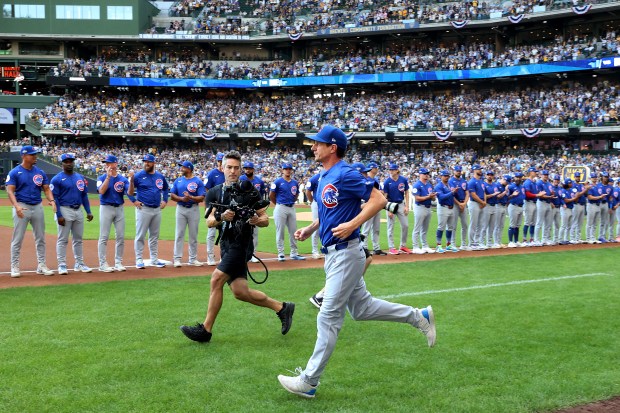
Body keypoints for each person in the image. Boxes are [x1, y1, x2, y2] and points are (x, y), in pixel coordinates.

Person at [277, 125, 435, 399]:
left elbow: (378, 199)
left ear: (333, 147)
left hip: (346, 253)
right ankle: (418, 317)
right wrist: (312, 228)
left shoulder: (346, 172)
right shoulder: (326, 175)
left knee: (328, 315)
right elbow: (333, 210)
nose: (313, 147)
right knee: (362, 309)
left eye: (318, 143)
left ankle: (309, 381)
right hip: (335, 254)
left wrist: (352, 224)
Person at [179, 151, 295, 343]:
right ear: (222, 168)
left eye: (236, 168)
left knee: (216, 280)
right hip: (226, 244)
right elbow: (208, 222)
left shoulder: (250, 192)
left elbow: (265, 220)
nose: (233, 171)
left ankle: (205, 331)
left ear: (240, 169)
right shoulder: (215, 192)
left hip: (242, 245)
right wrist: (221, 217)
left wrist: (257, 219)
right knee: (240, 292)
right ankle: (282, 308)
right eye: (229, 167)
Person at [6, 145, 56, 277]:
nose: (35, 156)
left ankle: (41, 265)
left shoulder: (40, 172)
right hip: (22, 205)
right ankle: (14, 266)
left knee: (40, 238)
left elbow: (46, 189)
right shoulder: (15, 172)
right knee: (17, 238)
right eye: (32, 154)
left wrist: (51, 201)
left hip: (37, 206)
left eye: (35, 154)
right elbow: (10, 190)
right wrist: (16, 206)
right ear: (23, 156)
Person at [50, 153, 94, 274]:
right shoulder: (57, 179)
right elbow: (55, 198)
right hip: (64, 209)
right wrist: (58, 215)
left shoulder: (79, 177)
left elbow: (84, 195)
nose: (69, 163)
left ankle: (79, 263)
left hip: (78, 210)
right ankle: (62, 265)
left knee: (78, 239)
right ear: (62, 163)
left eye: (71, 161)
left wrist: (88, 211)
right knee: (63, 239)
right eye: (66, 161)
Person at [128, 153, 169, 268]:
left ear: (153, 163)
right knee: (140, 235)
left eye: (149, 161)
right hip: (143, 208)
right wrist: (134, 201)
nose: (146, 163)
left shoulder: (160, 176)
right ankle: (139, 259)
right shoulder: (138, 176)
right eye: (145, 161)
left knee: (154, 236)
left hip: (157, 209)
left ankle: (154, 259)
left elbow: (165, 188)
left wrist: (165, 200)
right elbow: (129, 192)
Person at [97, 154, 134, 273]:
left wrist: (131, 181)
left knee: (120, 236)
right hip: (106, 207)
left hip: (119, 208)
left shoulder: (122, 179)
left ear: (115, 164)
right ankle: (102, 263)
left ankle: (118, 262)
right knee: (104, 236)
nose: (107, 165)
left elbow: (130, 193)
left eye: (109, 163)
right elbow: (101, 191)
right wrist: (108, 178)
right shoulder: (101, 178)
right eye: (106, 163)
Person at [170, 160, 206, 267]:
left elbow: (202, 197)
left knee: (193, 235)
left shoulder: (198, 181)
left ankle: (193, 259)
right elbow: (172, 195)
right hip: (181, 208)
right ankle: (177, 259)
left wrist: (191, 197)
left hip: (194, 209)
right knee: (179, 234)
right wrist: (182, 198)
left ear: (189, 169)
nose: (181, 169)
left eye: (183, 167)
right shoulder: (178, 180)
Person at [269, 162, 305, 261]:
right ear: (282, 170)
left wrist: (292, 201)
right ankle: (281, 253)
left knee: (293, 231)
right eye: (286, 169)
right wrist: (277, 204)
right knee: (280, 231)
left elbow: (296, 194)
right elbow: (271, 195)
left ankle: (294, 253)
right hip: (281, 207)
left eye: (289, 169)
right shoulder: (277, 182)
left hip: (291, 207)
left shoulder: (294, 182)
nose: (288, 170)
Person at [240, 161, 267, 262]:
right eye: (246, 168)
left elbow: (262, 194)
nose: (247, 170)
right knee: (241, 231)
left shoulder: (259, 181)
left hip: (255, 208)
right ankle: (242, 253)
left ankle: (253, 254)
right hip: (243, 208)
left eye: (249, 168)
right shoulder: (240, 179)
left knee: (255, 232)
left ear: (253, 169)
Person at [382, 162, 410, 254]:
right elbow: (385, 197)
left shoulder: (403, 180)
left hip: (401, 204)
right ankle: (391, 247)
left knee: (405, 225)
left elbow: (406, 192)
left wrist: (407, 206)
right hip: (391, 204)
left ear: (397, 170)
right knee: (390, 226)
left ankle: (403, 246)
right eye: (390, 169)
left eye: (392, 169)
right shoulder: (387, 182)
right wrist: (389, 209)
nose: (391, 171)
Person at [360, 162, 386, 256]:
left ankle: (376, 248)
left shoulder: (375, 180)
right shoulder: (366, 179)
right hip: (369, 205)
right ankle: (364, 247)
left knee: (376, 228)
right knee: (366, 228)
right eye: (375, 167)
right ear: (372, 168)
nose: (377, 169)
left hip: (376, 206)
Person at [205, 152, 225, 265]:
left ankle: (223, 257)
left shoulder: (228, 173)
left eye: (222, 161)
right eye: (219, 161)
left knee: (224, 233)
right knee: (211, 233)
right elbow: (207, 189)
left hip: (225, 207)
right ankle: (210, 257)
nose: (220, 163)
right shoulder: (212, 173)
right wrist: (211, 203)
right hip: (213, 207)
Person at [411, 167, 436, 254]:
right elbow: (417, 198)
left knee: (425, 228)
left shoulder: (429, 184)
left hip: (428, 207)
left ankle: (425, 246)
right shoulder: (417, 185)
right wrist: (428, 197)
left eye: (427, 174)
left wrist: (433, 196)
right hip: (420, 207)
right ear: (420, 174)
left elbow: (433, 199)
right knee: (417, 228)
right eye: (425, 174)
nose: (426, 175)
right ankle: (415, 246)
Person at [434, 169, 458, 253]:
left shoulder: (450, 184)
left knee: (450, 227)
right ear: (441, 176)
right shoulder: (438, 186)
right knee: (441, 226)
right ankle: (438, 245)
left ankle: (448, 244)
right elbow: (441, 197)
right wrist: (452, 192)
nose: (446, 177)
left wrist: (453, 192)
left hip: (451, 207)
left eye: (447, 176)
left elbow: (452, 194)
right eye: (445, 176)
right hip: (443, 207)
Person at [449, 165, 470, 250]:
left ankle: (463, 244)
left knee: (465, 224)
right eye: (457, 171)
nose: (458, 172)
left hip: (463, 203)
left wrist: (464, 203)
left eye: (459, 171)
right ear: (454, 171)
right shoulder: (451, 181)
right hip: (455, 204)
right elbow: (451, 194)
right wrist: (459, 204)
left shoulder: (463, 181)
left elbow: (467, 192)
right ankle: (452, 244)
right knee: (453, 225)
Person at [467, 164, 487, 251]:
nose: (480, 171)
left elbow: (484, 193)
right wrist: (482, 202)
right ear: (474, 170)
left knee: (480, 224)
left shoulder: (482, 181)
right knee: (473, 224)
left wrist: (484, 202)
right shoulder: (472, 181)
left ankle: (477, 242)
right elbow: (473, 194)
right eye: (479, 169)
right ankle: (471, 243)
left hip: (481, 204)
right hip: (474, 203)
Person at [523, 167, 543, 246]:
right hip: (529, 202)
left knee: (533, 222)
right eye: (534, 172)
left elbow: (537, 192)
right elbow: (527, 194)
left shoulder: (534, 182)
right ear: (530, 172)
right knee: (527, 222)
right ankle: (524, 240)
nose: (536, 173)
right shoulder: (527, 182)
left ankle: (532, 239)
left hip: (535, 202)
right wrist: (538, 194)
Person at [305, 172, 322, 259]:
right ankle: (314, 251)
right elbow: (308, 191)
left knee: (330, 225)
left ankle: (326, 247)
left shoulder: (332, 175)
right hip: (317, 203)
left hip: (327, 204)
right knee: (316, 227)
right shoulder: (315, 178)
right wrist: (313, 202)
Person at [585, 172, 606, 244]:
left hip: (598, 205)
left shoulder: (598, 186)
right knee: (589, 222)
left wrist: (602, 197)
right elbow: (589, 197)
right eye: (593, 177)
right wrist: (600, 197)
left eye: (595, 177)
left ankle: (593, 237)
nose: (594, 179)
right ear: (590, 178)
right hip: (591, 205)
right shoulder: (589, 186)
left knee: (595, 223)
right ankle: (588, 238)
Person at [506, 172, 525, 247]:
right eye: (517, 177)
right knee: (512, 225)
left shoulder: (522, 187)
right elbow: (507, 198)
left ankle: (516, 241)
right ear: (514, 178)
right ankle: (510, 241)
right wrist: (512, 195)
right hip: (513, 206)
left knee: (517, 225)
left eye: (520, 177)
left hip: (521, 206)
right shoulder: (510, 186)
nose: (518, 178)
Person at [569, 171, 589, 244]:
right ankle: (572, 238)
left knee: (580, 223)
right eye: (577, 176)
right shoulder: (573, 185)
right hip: (576, 204)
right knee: (574, 222)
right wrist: (585, 189)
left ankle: (578, 238)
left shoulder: (581, 185)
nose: (578, 178)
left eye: (579, 176)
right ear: (574, 177)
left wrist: (586, 188)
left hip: (582, 204)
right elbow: (577, 195)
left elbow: (585, 194)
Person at [558, 178, 577, 245]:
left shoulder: (571, 190)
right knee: (563, 225)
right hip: (565, 209)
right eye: (570, 183)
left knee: (569, 225)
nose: (571, 184)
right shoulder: (563, 191)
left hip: (571, 208)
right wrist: (574, 199)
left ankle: (566, 239)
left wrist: (574, 198)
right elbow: (565, 200)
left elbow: (575, 199)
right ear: (567, 184)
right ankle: (560, 239)